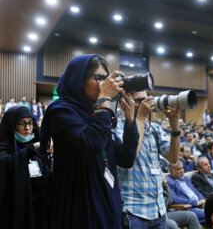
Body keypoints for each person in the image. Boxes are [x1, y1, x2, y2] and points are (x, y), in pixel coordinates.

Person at [40, 54, 139, 229]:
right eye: (98, 78)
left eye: (106, 78)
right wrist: (104, 102)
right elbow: (90, 144)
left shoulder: (98, 112)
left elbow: (126, 159)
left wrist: (130, 123)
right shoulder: (61, 110)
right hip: (80, 203)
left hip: (107, 200)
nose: (104, 84)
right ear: (79, 80)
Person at [117, 90, 180, 229]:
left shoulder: (155, 129)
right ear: (124, 104)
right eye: (139, 100)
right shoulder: (118, 128)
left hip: (158, 210)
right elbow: (129, 157)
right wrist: (139, 118)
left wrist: (174, 125)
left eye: (146, 99)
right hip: (133, 210)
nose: (145, 103)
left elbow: (173, 158)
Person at [0, 106, 50, 229]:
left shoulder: (39, 145)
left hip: (39, 208)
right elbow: (4, 163)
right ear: (11, 125)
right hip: (16, 207)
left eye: (30, 123)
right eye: (21, 123)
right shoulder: (4, 145)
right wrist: (30, 150)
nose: (27, 128)